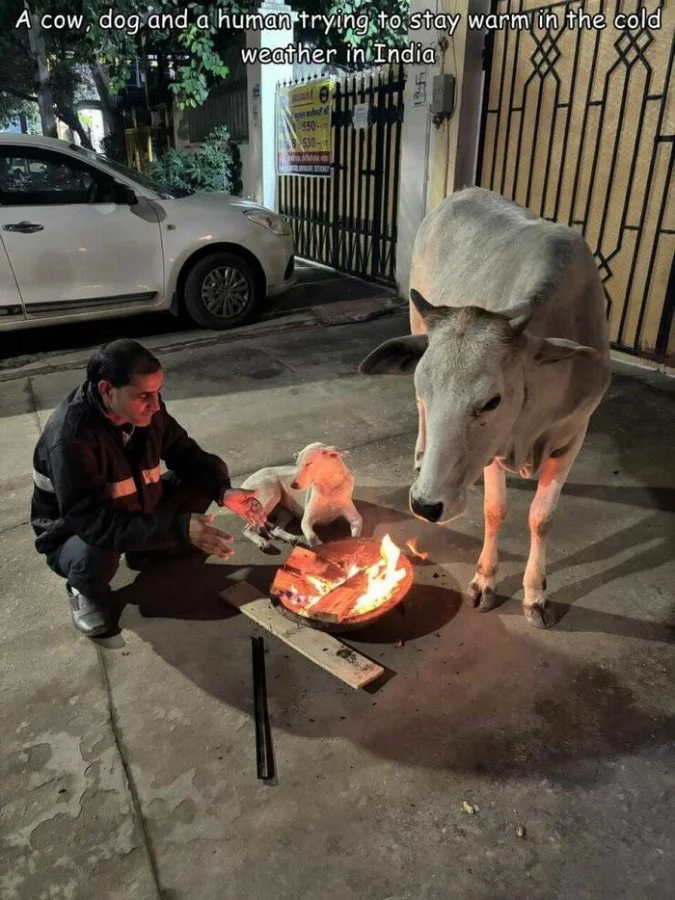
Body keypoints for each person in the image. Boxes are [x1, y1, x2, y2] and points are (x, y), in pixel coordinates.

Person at [30, 338, 266, 638]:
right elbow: (91, 521)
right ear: (106, 390)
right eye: (144, 395)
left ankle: (147, 552)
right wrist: (177, 527)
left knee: (207, 472)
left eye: (158, 392)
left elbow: (184, 452)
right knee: (97, 549)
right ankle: (84, 588)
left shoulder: (148, 412)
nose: (155, 405)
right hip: (74, 532)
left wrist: (223, 492)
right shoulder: (71, 437)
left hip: (133, 506)